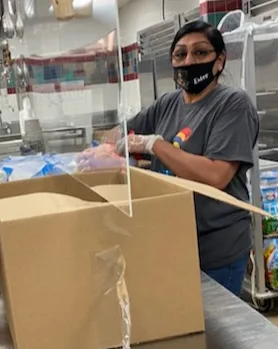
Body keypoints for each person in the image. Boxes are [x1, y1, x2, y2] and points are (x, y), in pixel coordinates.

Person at [84, 20, 259, 296]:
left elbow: (217, 175)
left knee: (215, 333)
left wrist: (153, 144)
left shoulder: (232, 104)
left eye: (200, 53)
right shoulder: (168, 103)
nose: (189, 61)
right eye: (180, 54)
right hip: (171, 240)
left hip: (216, 249)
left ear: (219, 61)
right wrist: (103, 148)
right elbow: (120, 131)